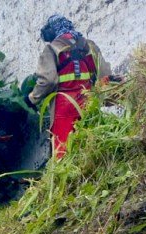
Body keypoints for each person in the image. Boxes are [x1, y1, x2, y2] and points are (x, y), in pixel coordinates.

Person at [27, 15, 112, 159]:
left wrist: (31, 98)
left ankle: (69, 181)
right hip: (88, 101)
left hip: (64, 105)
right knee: (91, 144)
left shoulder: (52, 48)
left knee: (64, 153)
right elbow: (104, 75)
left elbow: (48, 81)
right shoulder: (89, 45)